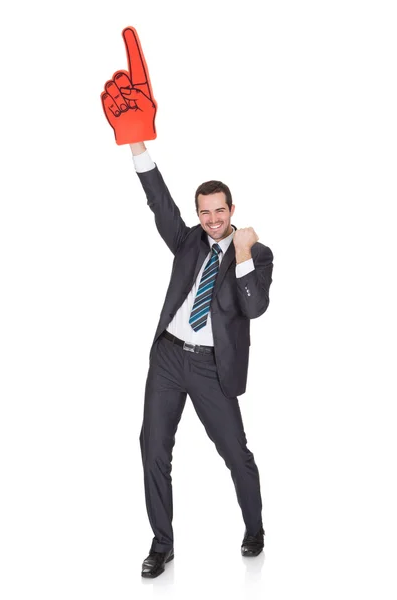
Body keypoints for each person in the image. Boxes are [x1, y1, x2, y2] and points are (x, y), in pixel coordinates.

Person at [129, 141, 274, 578]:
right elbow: (159, 202)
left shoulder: (257, 254)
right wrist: (137, 142)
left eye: (219, 211)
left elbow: (255, 308)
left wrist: (244, 251)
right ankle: (162, 543)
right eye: (204, 213)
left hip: (213, 367)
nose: (212, 221)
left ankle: (255, 529)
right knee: (153, 449)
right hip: (169, 360)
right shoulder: (189, 240)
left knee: (236, 453)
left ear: (232, 209)